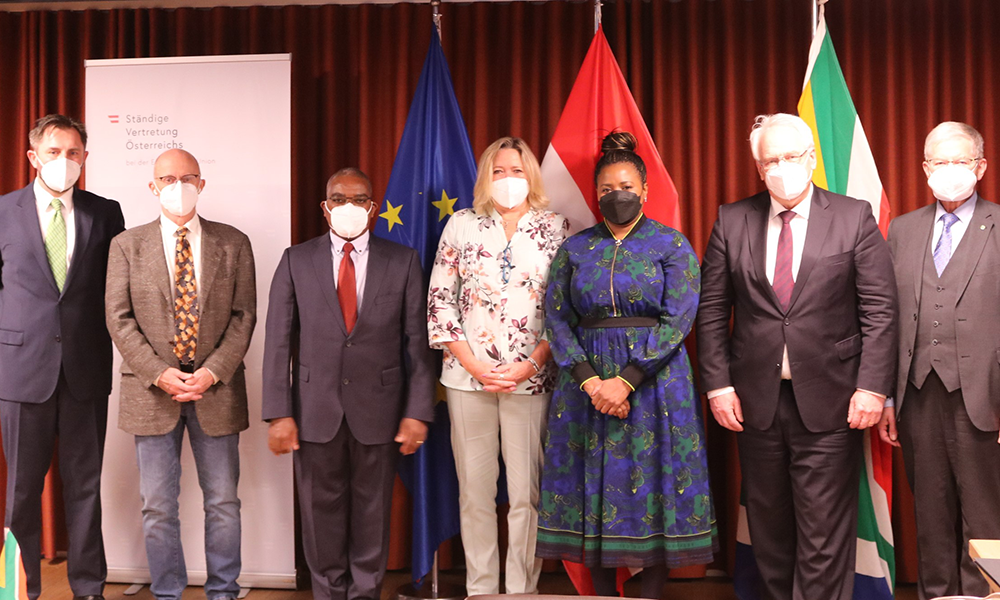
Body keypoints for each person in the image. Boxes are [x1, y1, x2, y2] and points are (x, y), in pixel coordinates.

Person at [697, 114, 898, 600]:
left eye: (791, 156)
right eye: (771, 160)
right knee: (769, 532)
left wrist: (872, 388)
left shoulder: (853, 217)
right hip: (755, 404)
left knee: (824, 534)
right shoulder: (732, 219)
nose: (782, 167)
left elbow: (880, 310)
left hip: (834, 400)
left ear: (811, 159)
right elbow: (712, 310)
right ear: (759, 168)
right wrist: (718, 385)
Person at [536, 131, 717, 599]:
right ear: (596, 194)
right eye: (607, 189)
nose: (617, 195)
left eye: (626, 187)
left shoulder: (671, 245)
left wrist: (628, 380)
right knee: (592, 487)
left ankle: (650, 594)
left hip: (656, 383)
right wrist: (591, 382)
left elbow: (679, 318)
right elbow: (556, 318)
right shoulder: (575, 249)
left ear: (644, 190)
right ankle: (602, 596)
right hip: (587, 385)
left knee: (654, 485)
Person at [263, 167, 434, 600]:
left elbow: (417, 344)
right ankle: (327, 593)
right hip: (314, 411)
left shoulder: (402, 261)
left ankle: (364, 595)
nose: (348, 207)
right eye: (339, 199)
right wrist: (279, 413)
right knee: (319, 516)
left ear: (372, 208)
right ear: (325, 208)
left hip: (380, 411)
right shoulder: (295, 260)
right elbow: (278, 342)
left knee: (372, 516)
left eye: (359, 199)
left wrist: (417, 412)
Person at [105, 148, 256, 600]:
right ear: (153, 186)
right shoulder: (126, 245)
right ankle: (167, 592)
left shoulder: (234, 242)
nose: (178, 186)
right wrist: (159, 373)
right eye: (168, 179)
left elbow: (244, 316)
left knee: (223, 502)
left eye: (188, 178)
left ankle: (223, 591)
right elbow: (119, 318)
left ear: (202, 184)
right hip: (151, 393)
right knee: (157, 506)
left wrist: (212, 372)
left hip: (217, 390)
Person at [427, 137, 567, 595]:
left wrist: (532, 363)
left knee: (527, 495)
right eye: (499, 170)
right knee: (475, 493)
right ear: (486, 176)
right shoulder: (461, 224)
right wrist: (473, 364)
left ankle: (521, 592)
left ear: (532, 176)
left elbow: (564, 309)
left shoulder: (556, 228)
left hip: (532, 380)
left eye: (517, 170)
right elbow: (440, 301)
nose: (508, 179)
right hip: (467, 380)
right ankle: (482, 590)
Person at [0, 114, 125, 600]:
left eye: (73, 152)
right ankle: (16, 591)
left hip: (85, 370)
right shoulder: (3, 211)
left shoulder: (105, 213)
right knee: (20, 492)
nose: (64, 160)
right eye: (54, 152)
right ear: (33, 156)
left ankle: (89, 588)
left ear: (85, 158)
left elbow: (116, 290)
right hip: (20, 371)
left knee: (85, 489)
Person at [878, 121, 1000, 600]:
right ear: (926, 168)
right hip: (917, 395)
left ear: (980, 167)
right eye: (940, 161)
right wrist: (888, 398)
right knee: (929, 513)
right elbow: (888, 318)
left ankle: (984, 597)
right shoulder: (903, 230)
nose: (950, 170)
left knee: (985, 516)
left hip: (985, 399)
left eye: (960, 161)